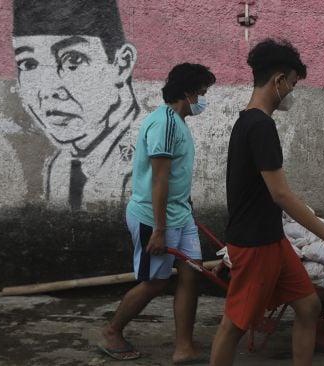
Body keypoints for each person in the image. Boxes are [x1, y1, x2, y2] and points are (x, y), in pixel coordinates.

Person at [209, 39, 324, 366]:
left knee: (309, 306)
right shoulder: (261, 126)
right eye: (292, 82)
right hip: (254, 244)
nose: (292, 90)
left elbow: (273, 193)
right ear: (278, 80)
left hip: (272, 239)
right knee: (234, 325)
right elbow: (281, 194)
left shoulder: (247, 121)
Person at [98, 63, 216, 363]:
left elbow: (175, 175)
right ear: (188, 92)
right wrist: (160, 230)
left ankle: (184, 347)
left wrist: (186, 206)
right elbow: (160, 179)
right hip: (154, 217)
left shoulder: (179, 122)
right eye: (202, 93)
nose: (203, 100)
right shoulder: (163, 122)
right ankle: (113, 331)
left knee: (192, 274)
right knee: (156, 281)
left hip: (180, 215)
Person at [12, 0, 141, 209]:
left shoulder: (142, 165)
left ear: (121, 65)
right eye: (29, 64)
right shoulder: (61, 166)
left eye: (73, 59)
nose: (47, 91)